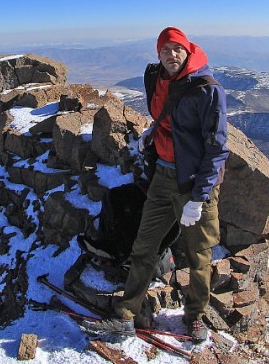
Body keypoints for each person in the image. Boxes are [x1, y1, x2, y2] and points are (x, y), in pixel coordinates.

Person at [83, 26, 229, 342]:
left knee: (199, 255)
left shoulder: (207, 89)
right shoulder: (157, 78)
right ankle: (126, 315)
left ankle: (195, 317)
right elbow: (169, 119)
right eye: (165, 50)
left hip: (194, 184)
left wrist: (199, 197)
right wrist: (153, 133)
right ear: (158, 54)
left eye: (177, 49)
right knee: (144, 247)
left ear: (188, 50)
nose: (171, 55)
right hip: (162, 176)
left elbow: (217, 149)